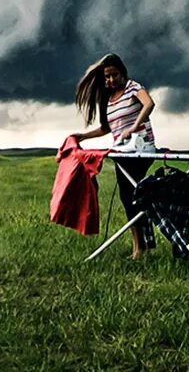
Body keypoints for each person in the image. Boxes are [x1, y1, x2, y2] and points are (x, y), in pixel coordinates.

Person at [71, 53, 157, 259]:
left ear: (123, 72)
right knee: (127, 197)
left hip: (141, 149)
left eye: (114, 75)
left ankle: (142, 247)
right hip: (122, 152)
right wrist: (83, 136)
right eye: (107, 77)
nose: (111, 80)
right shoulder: (108, 100)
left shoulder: (133, 88)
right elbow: (106, 128)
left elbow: (149, 104)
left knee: (133, 196)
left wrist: (134, 127)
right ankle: (139, 246)